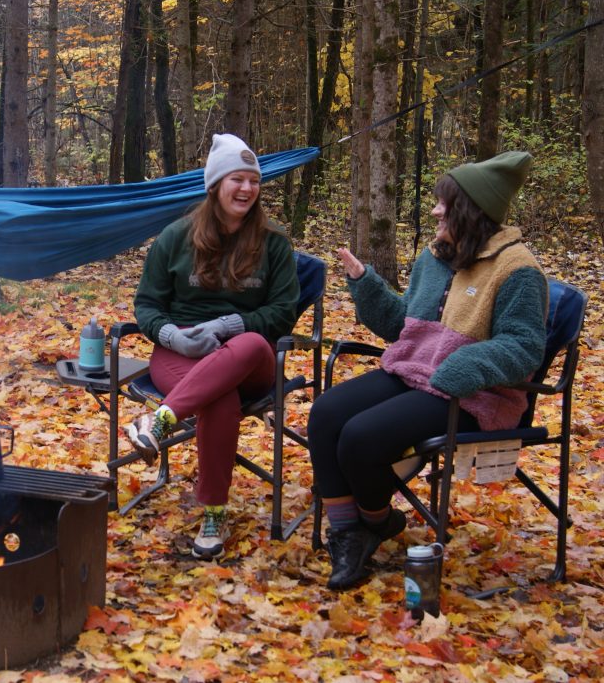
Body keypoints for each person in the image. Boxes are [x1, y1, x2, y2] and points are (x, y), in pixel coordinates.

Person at [308, 150, 547, 590]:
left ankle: (369, 524)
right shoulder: (436, 258)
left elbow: (525, 346)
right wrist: (367, 285)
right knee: (325, 414)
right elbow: (404, 325)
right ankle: (356, 530)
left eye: (445, 203)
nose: (435, 210)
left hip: (472, 393)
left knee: (361, 438)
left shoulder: (519, 270)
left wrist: (467, 363)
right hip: (412, 371)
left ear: (472, 211)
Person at [126, 133, 300, 560]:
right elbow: (147, 305)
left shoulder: (274, 245)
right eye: (236, 179)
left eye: (253, 181)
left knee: (254, 344)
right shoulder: (175, 237)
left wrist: (227, 326)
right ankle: (214, 513)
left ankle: (161, 422)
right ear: (215, 185)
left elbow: (283, 312)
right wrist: (172, 336)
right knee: (220, 402)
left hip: (246, 352)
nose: (246, 189)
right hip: (180, 349)